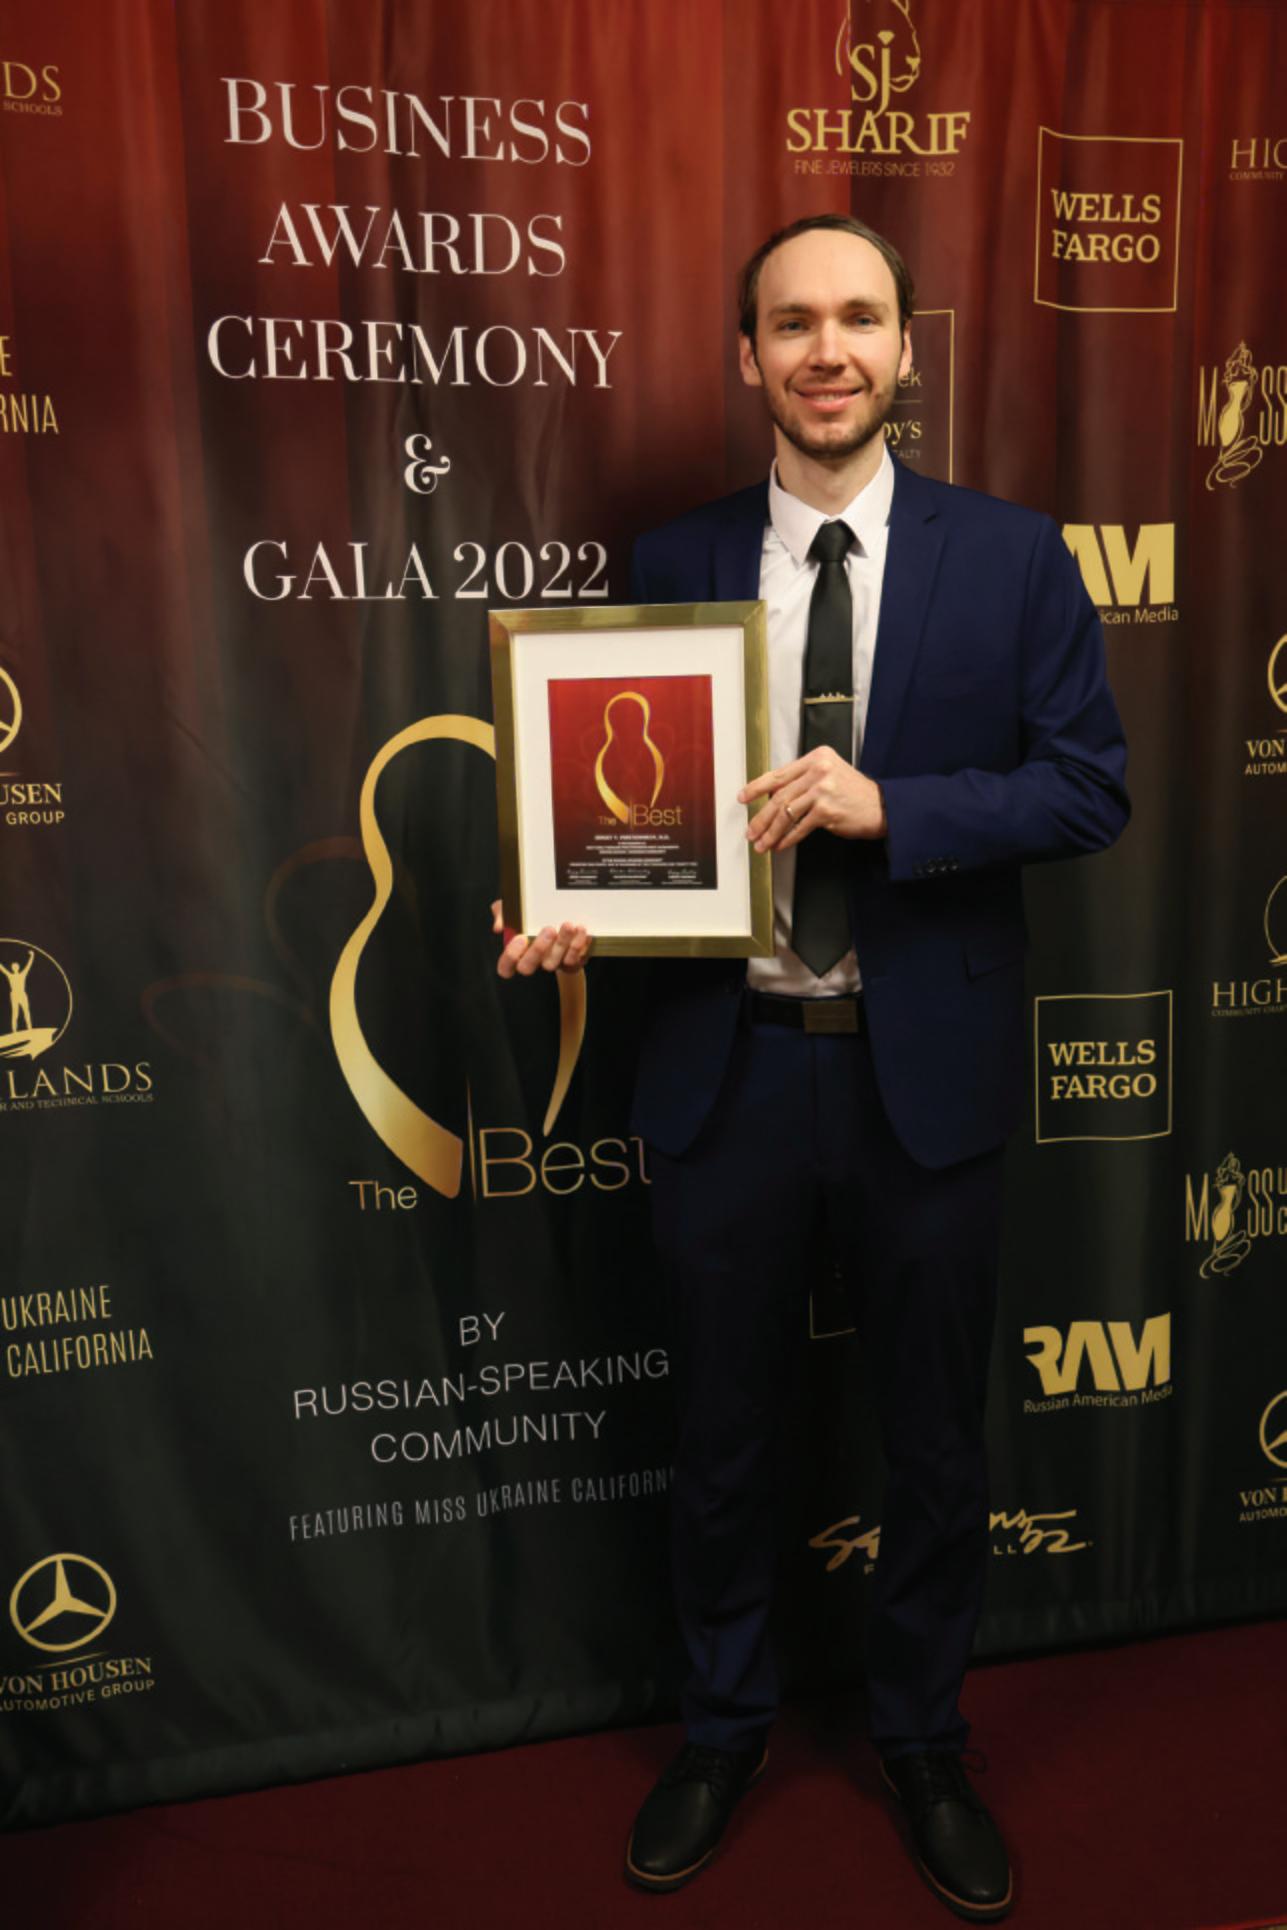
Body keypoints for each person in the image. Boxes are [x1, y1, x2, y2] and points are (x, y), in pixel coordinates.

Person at [494, 213, 1128, 1923]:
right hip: (731, 1072)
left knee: (933, 1441)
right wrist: (573, 907)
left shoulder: (1014, 558)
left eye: (857, 318)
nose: (826, 350)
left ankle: (924, 1740)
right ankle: (722, 1731)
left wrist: (889, 805)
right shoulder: (675, 554)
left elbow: (1091, 784)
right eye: (792, 323)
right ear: (748, 357)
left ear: (907, 349)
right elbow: (630, 809)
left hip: (928, 1072)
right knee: (722, 1435)